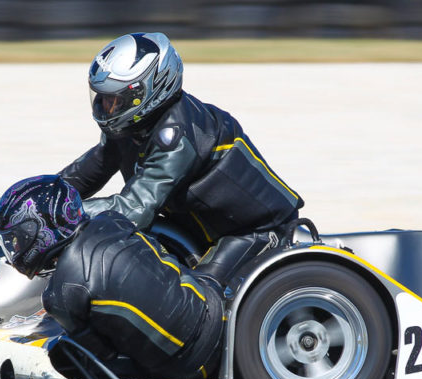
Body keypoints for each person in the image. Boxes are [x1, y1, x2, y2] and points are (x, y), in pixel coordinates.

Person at [59, 32, 303, 283]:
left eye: (114, 100)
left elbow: (134, 209)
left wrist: (62, 213)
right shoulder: (133, 127)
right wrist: (37, 195)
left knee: (199, 301)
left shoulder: (177, 135)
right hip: (194, 228)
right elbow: (91, 169)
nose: (105, 107)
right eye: (102, 98)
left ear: (147, 92)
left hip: (253, 231)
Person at [0, 175, 224, 379]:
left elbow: (100, 356)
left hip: (187, 364)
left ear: (41, 230)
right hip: (211, 305)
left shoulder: (59, 296)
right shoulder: (112, 220)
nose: (16, 246)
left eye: (18, 237)